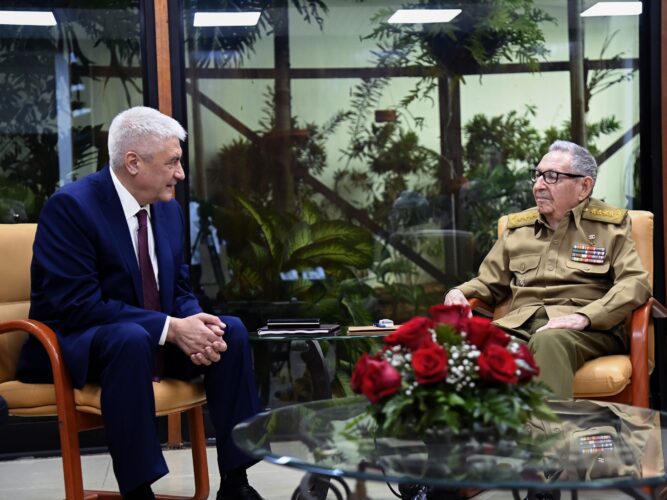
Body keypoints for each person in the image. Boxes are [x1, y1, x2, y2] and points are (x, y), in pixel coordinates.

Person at [17, 106, 264, 500]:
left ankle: (237, 483)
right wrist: (170, 328)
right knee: (130, 339)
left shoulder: (167, 210)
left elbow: (178, 289)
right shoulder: (71, 208)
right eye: (172, 162)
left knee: (227, 331)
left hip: (145, 339)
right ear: (133, 162)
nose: (180, 174)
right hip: (81, 345)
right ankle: (139, 492)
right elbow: (77, 305)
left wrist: (192, 322)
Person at [444, 140, 651, 398]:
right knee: (474, 346)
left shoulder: (610, 227)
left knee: (548, 340)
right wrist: (458, 292)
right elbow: (488, 282)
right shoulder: (518, 228)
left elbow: (635, 283)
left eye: (552, 177)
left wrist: (585, 316)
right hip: (520, 326)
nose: (538, 185)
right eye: (538, 175)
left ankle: (551, 426)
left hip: (587, 329)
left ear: (584, 186)